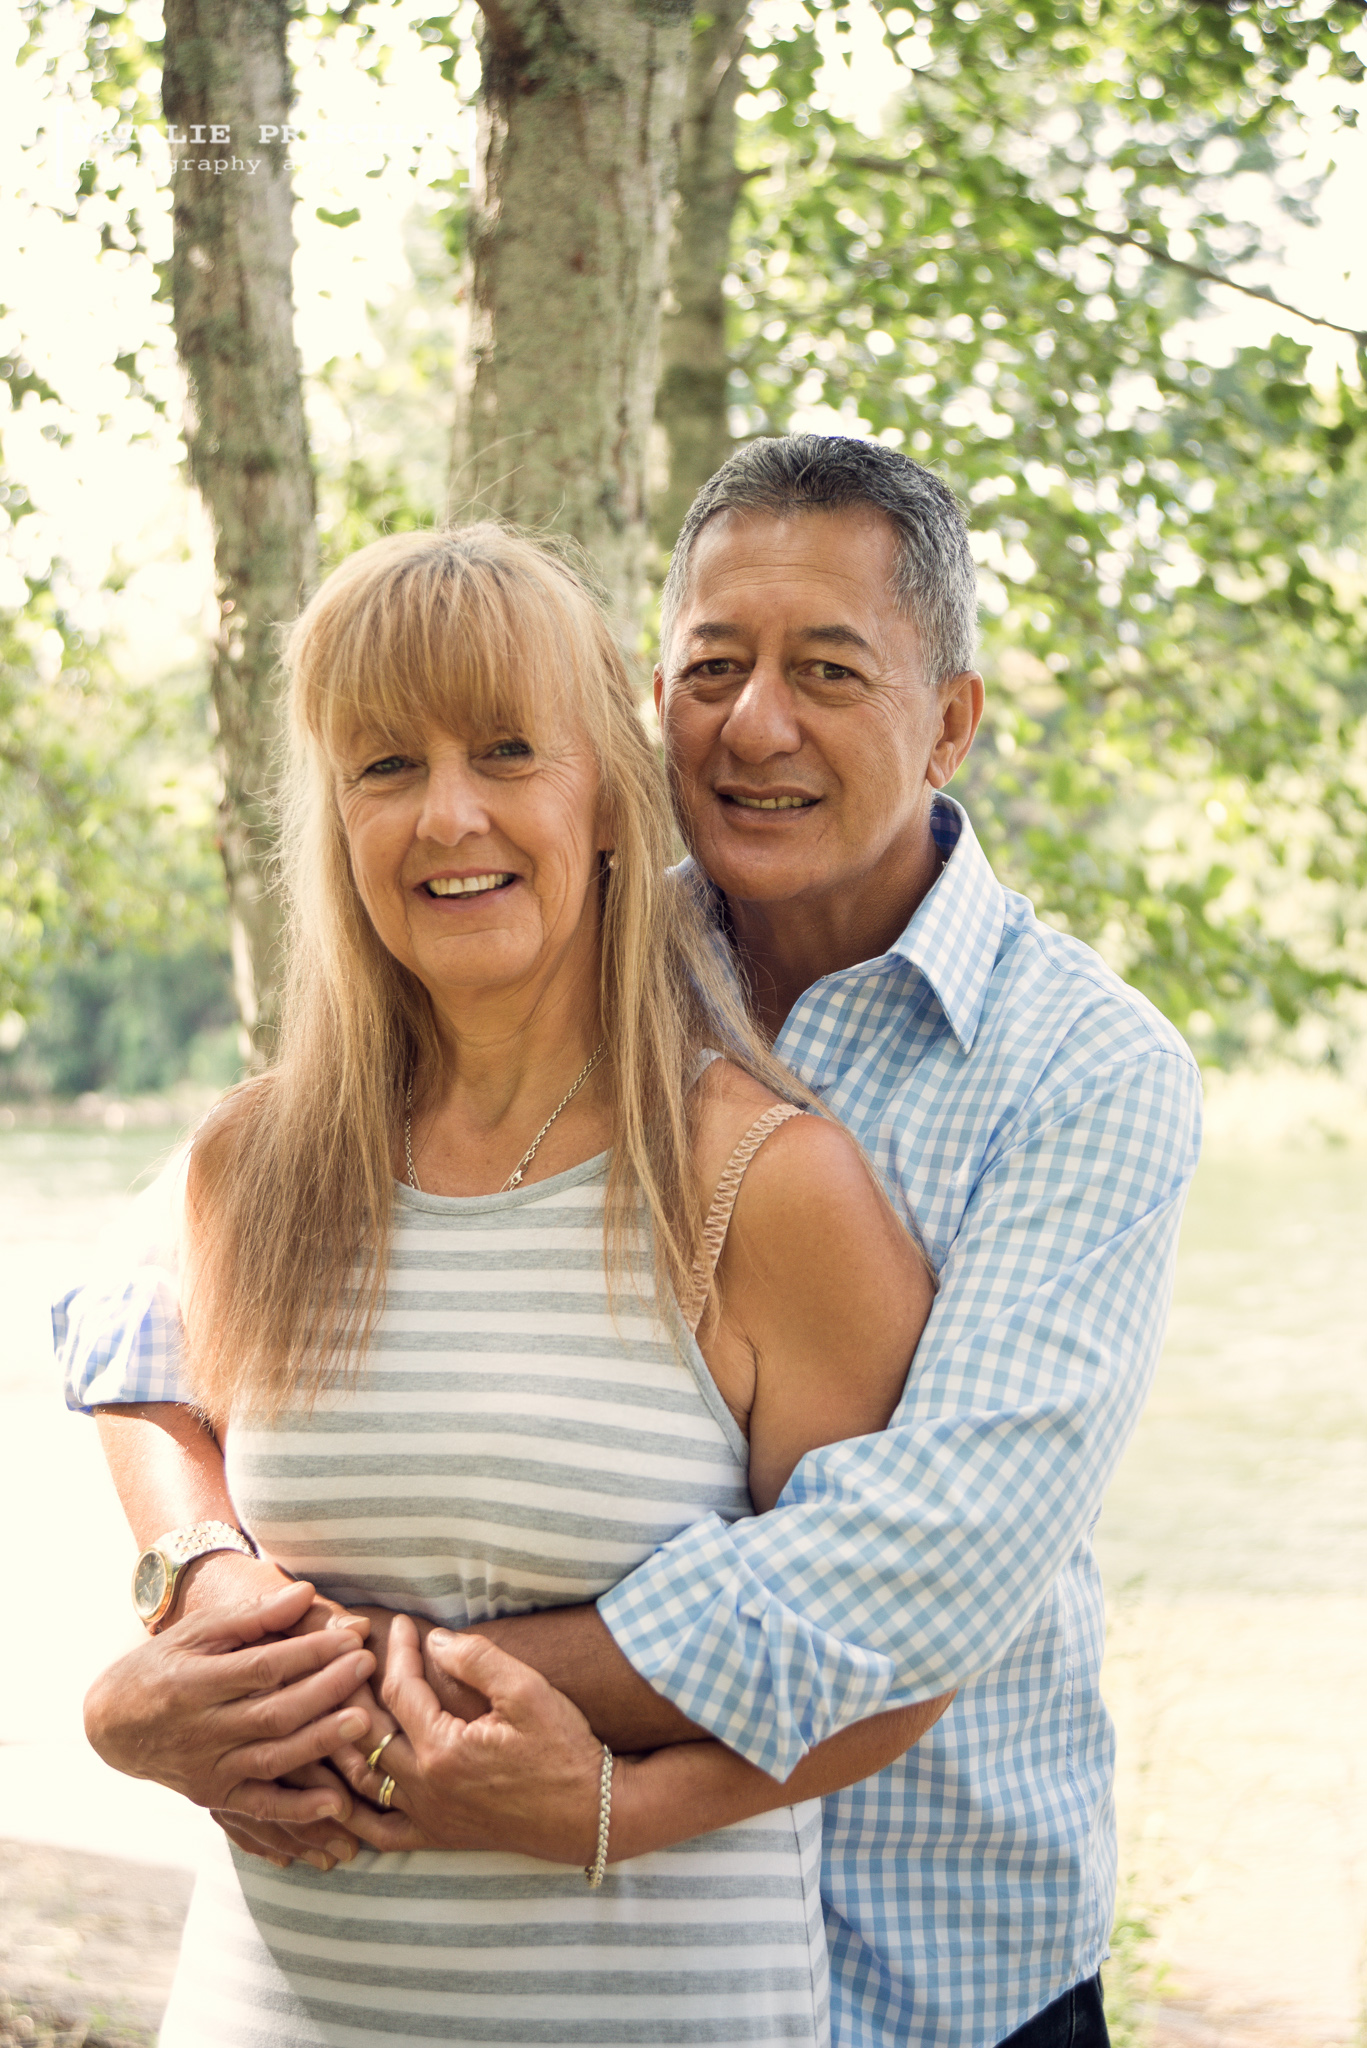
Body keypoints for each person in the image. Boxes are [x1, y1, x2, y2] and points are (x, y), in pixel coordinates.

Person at [59, 436, 1202, 2048]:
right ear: (651, 712)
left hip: (936, 1959)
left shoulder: (1081, 1068)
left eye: (828, 671)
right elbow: (138, 1316)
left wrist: (412, 1710)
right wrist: (192, 1598)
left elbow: (926, 1561)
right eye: (714, 670)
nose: (756, 724)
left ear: (951, 722)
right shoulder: (538, 942)